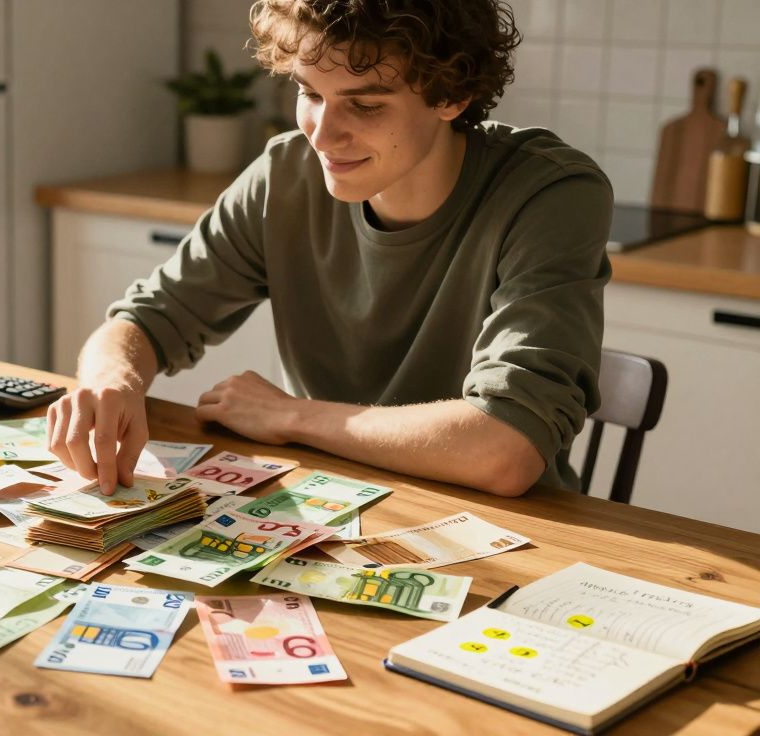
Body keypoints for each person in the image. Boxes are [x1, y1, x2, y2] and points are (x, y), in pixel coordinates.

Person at [46, 0, 611, 498]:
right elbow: (147, 321)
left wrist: (291, 415)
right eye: (309, 93)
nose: (321, 133)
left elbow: (504, 449)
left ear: (452, 94)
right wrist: (110, 380)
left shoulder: (550, 194)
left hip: (514, 537)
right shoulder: (284, 174)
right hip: (332, 505)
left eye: (365, 106)